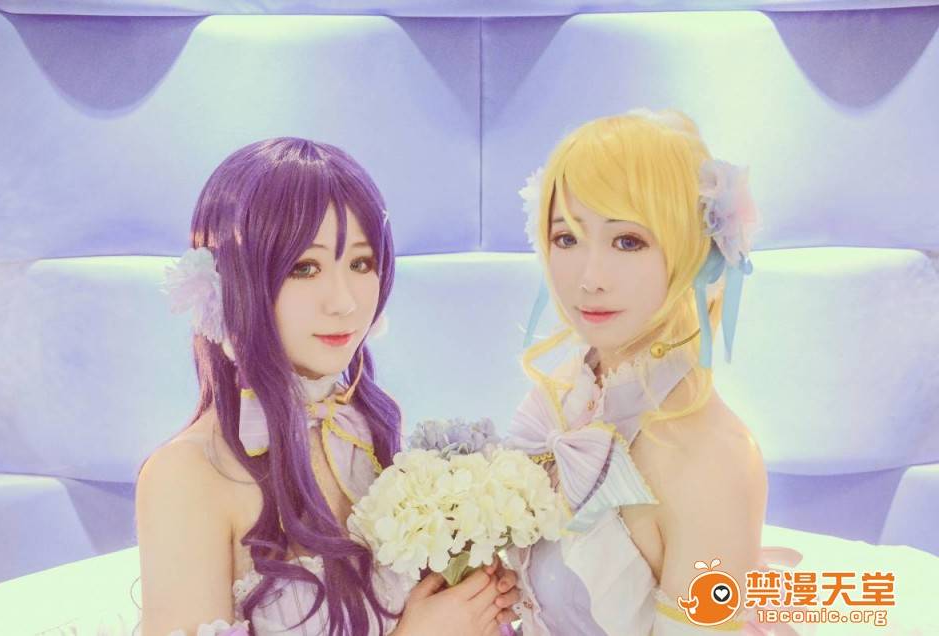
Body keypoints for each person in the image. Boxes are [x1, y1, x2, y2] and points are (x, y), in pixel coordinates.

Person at [502, 109, 939, 635]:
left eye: (627, 241)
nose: (590, 277)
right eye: (567, 238)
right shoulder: (565, 394)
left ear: (692, 251)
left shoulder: (711, 458)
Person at [136, 138, 520, 636]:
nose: (343, 302)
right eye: (305, 268)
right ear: (231, 283)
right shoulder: (189, 474)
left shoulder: (365, 427)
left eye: (360, 263)